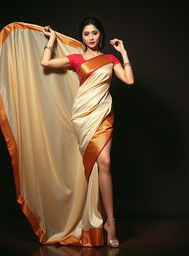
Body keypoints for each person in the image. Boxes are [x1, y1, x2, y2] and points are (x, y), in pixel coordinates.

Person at [41, 16, 135, 247]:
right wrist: (51, 40)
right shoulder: (75, 58)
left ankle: (110, 222)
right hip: (83, 116)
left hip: (103, 114)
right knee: (96, 165)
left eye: (94, 33)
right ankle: (97, 221)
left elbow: (129, 80)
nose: (91, 37)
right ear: (81, 36)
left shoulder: (110, 58)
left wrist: (123, 53)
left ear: (100, 35)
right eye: (86, 34)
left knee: (105, 162)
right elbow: (45, 64)